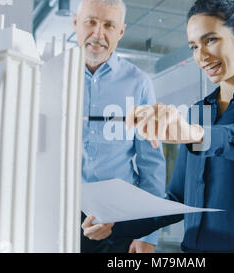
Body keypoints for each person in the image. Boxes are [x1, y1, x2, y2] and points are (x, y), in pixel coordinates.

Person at [82, 0, 234, 253]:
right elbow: (177, 200)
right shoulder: (199, 111)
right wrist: (115, 225)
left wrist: (193, 133)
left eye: (211, 41)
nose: (201, 56)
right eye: (194, 46)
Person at [73, 0, 166, 253]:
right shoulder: (50, 75)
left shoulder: (139, 83)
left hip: (120, 223)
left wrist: (149, 233)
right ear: (75, 23)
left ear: (121, 32)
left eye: (109, 25)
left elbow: (152, 164)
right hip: (59, 217)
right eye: (91, 22)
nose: (98, 34)